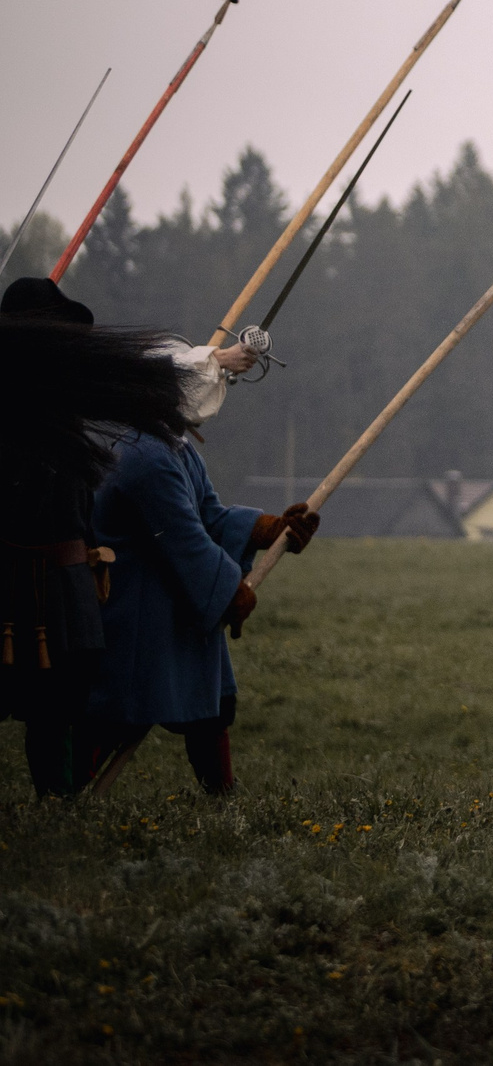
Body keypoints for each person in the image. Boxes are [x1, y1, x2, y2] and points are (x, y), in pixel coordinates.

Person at [78, 333, 311, 795]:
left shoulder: (176, 448)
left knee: (209, 706)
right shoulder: (144, 456)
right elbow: (184, 539)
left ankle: (222, 794)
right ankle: (65, 795)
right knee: (119, 711)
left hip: (172, 601)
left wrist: (269, 529)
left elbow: (210, 516)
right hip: (140, 607)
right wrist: (229, 592)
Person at [0, 277, 192, 794]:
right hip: (21, 579)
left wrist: (215, 363)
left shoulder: (63, 402)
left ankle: (57, 803)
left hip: (62, 579)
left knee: (58, 705)